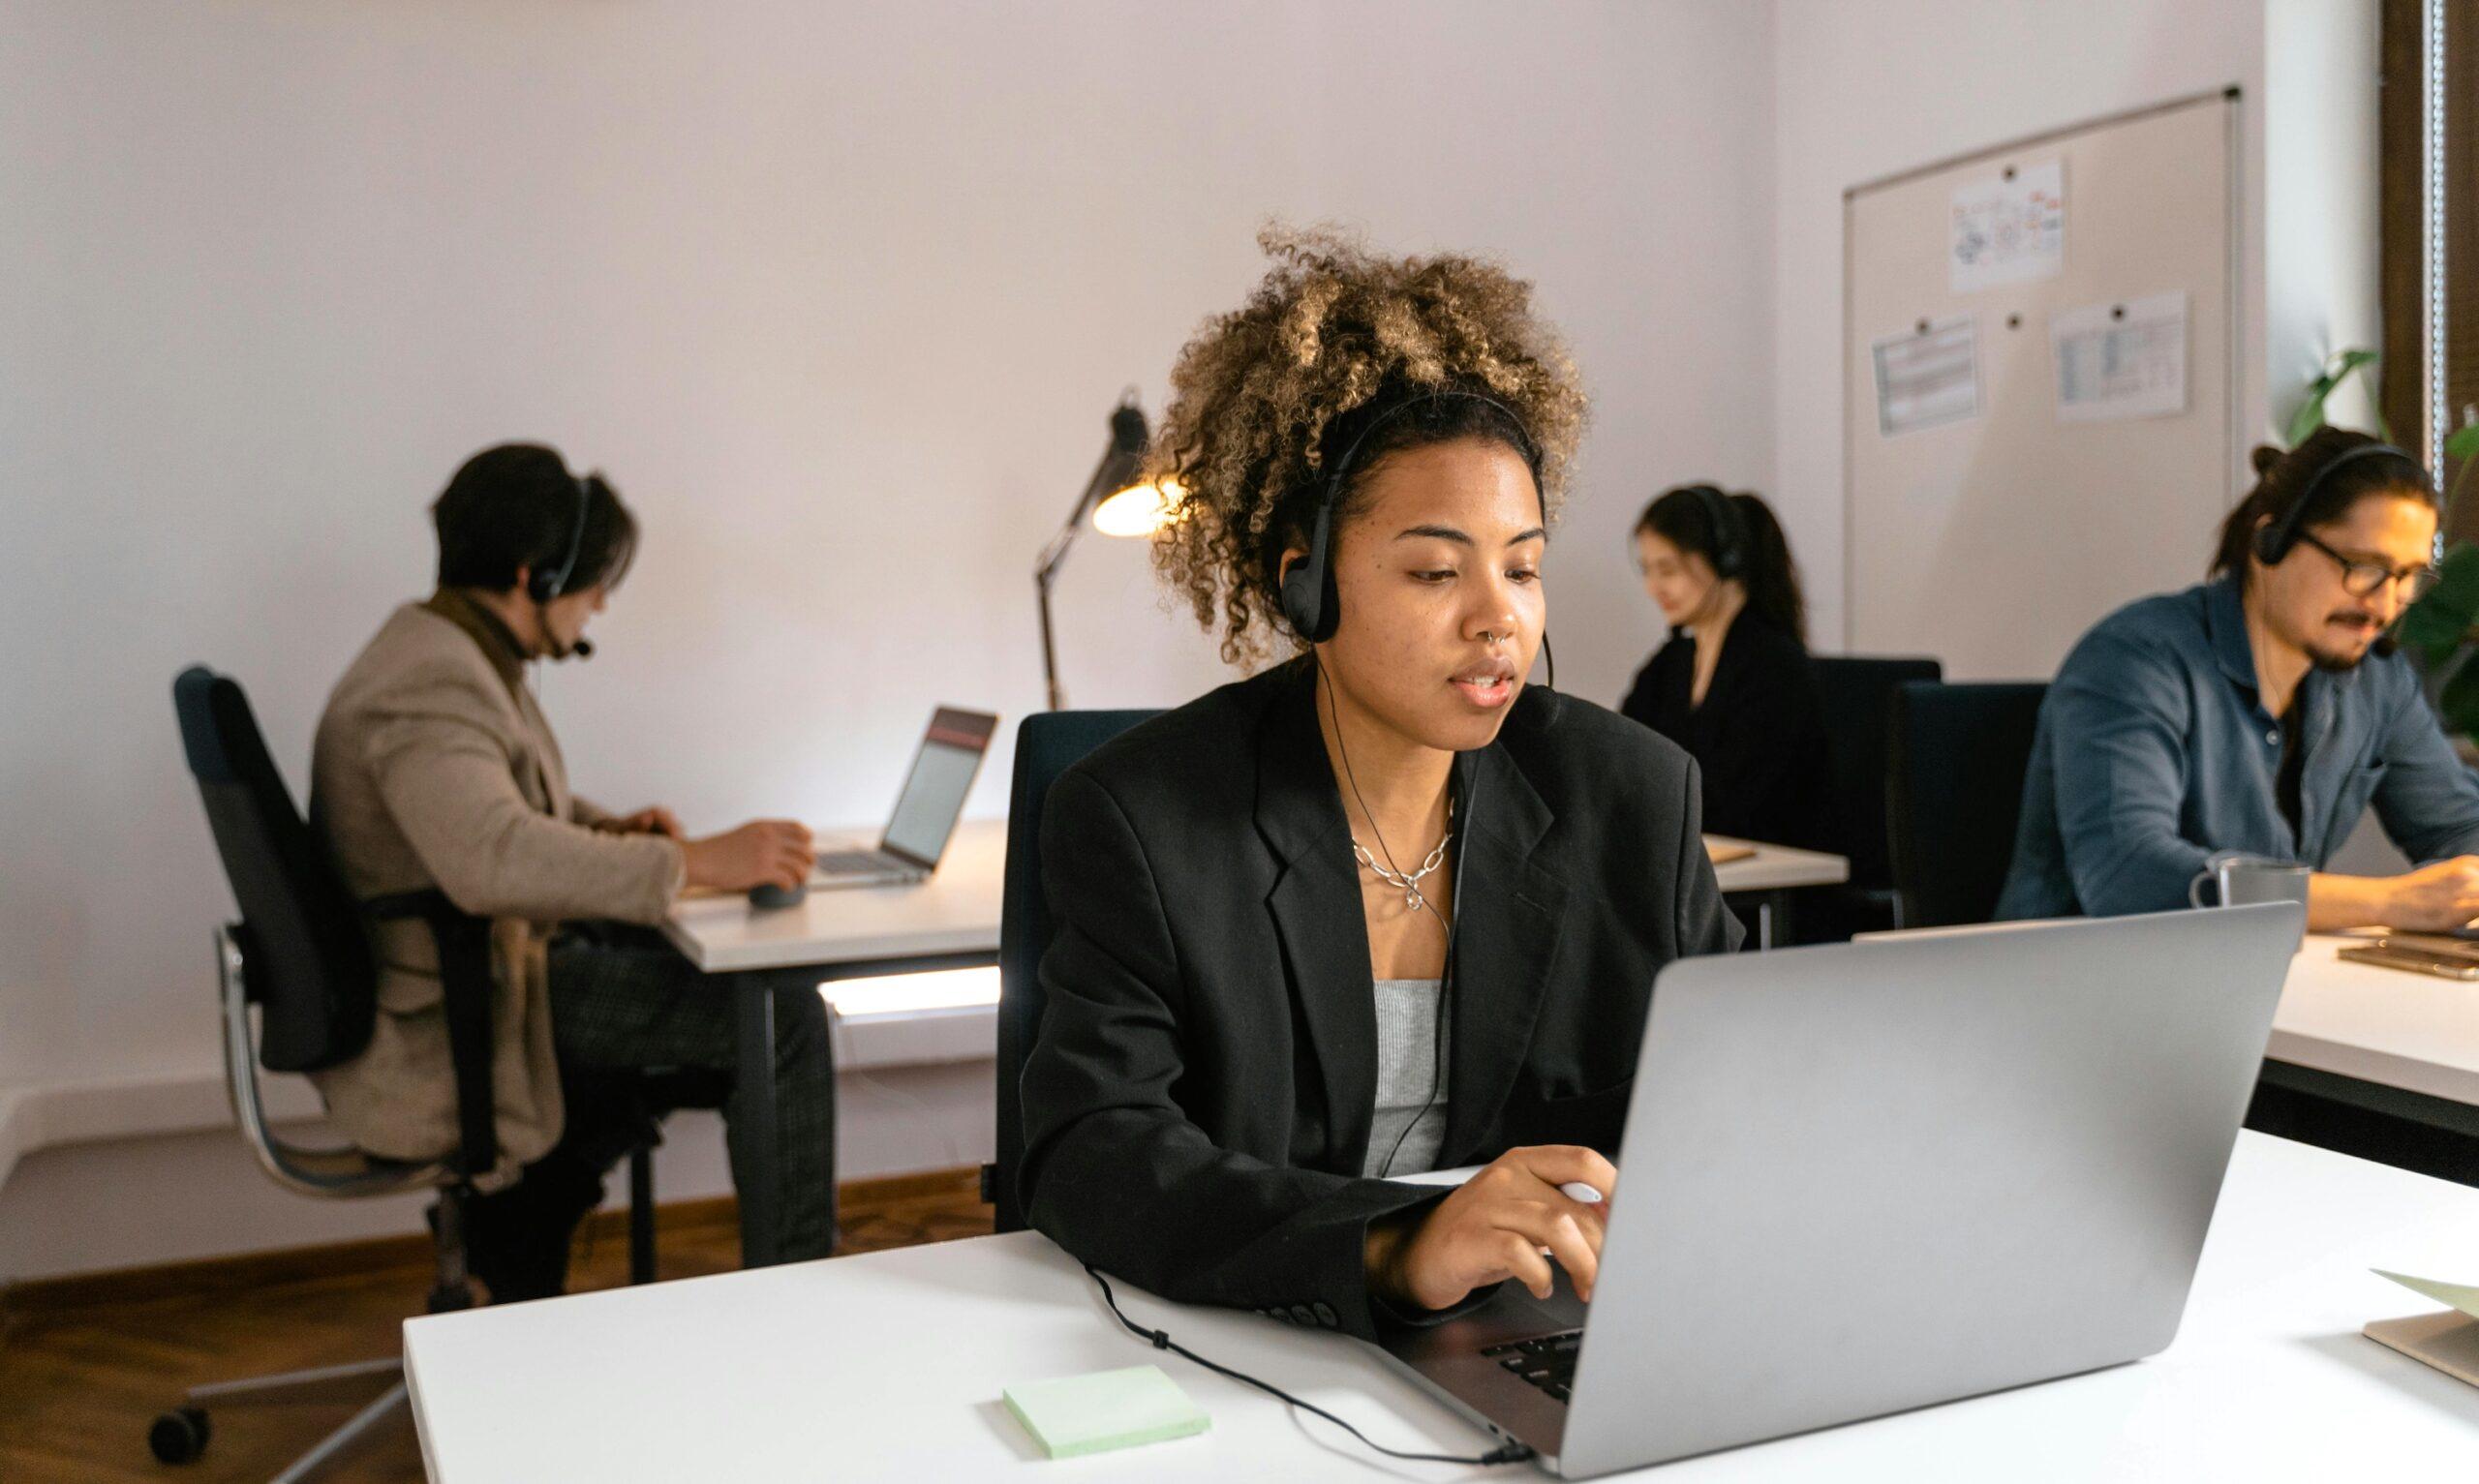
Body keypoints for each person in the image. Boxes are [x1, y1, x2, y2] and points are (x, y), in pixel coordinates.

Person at [1018, 229, 1741, 1343]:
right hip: (1248, 1337)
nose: (1497, 615)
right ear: (1304, 586)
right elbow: (1092, 1149)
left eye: (1524, 565)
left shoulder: (1635, 798)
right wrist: (1398, 1246)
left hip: (1552, 1332)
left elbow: (1742, 1094)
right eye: (1436, 571)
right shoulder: (1147, 818)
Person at [310, 443, 828, 1301]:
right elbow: (490, 859)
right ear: (534, 576)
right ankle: (798, 1306)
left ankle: (540, 1229)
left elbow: (488, 806)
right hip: (466, 1011)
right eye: (592, 584)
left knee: (743, 999)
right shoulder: (431, 680)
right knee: (781, 1019)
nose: (599, 605)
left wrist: (607, 831)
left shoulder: (447, 651)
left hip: (480, 976)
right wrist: (696, 861)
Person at [1998, 428, 2479, 928]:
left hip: (2255, 978)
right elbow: (2128, 873)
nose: (2384, 604)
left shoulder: (2376, 680)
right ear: (2269, 542)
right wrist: (2387, 903)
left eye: (2407, 577)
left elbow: (2461, 825)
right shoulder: (2135, 660)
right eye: (2364, 566)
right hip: (2074, 985)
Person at [1620, 486, 1838, 854]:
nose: (1653, 587)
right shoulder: (1672, 661)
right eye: (1647, 571)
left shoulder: (1774, 666)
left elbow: (1748, 805)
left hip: (1771, 875)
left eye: (1668, 569)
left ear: (1725, 561)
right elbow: (1621, 754)